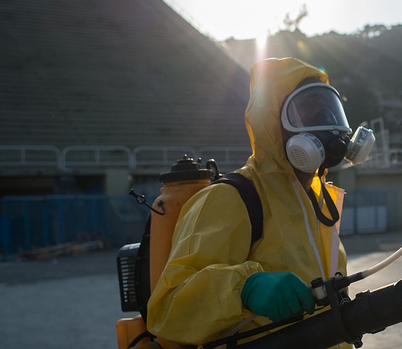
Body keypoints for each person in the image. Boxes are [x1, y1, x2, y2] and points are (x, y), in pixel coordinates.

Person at [147, 57, 370, 349]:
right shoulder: (231, 198)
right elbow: (168, 310)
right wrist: (245, 289)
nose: (328, 127)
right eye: (308, 115)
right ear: (273, 124)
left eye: (330, 112)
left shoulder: (318, 204)